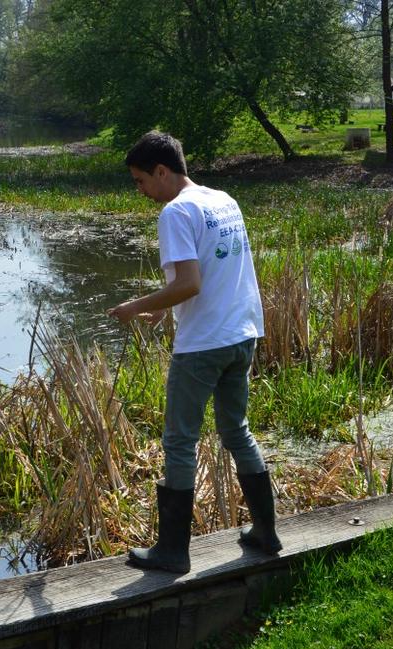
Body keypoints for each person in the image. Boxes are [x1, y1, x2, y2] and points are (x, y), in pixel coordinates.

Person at [107, 131, 281, 573]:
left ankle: (173, 552)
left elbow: (190, 283)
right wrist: (169, 310)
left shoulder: (175, 212)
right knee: (236, 430)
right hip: (242, 334)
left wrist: (135, 306)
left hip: (204, 345)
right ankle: (266, 532)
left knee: (180, 441)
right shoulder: (222, 199)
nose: (140, 190)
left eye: (140, 180)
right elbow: (213, 272)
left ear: (162, 171)